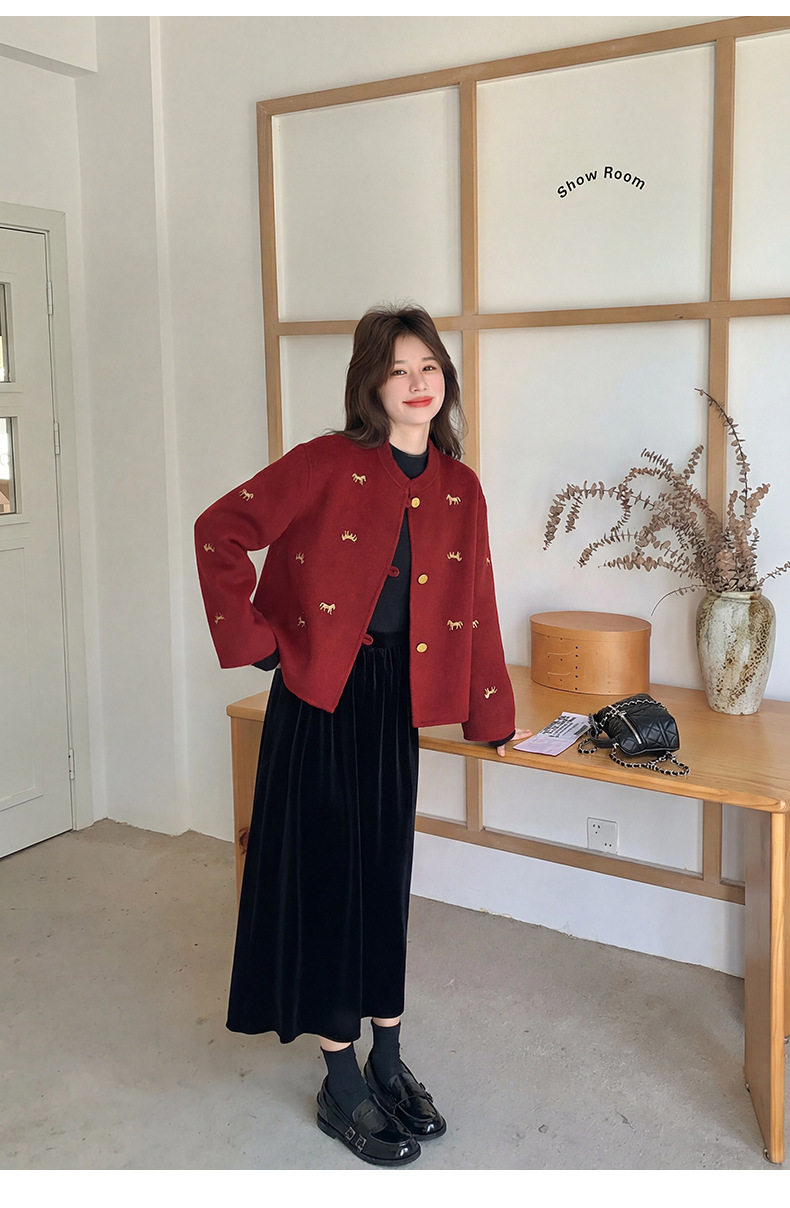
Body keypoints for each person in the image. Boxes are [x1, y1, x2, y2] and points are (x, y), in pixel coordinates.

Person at [194, 304, 530, 1167]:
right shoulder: (324, 463)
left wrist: (493, 712)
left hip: (391, 707)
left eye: (429, 368)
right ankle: (339, 1078)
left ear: (444, 379)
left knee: (386, 880)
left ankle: (387, 1056)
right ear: (371, 386)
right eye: (398, 370)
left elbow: (476, 602)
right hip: (319, 700)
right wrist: (263, 645)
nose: (418, 384)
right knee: (331, 885)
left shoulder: (459, 486)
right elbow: (219, 531)